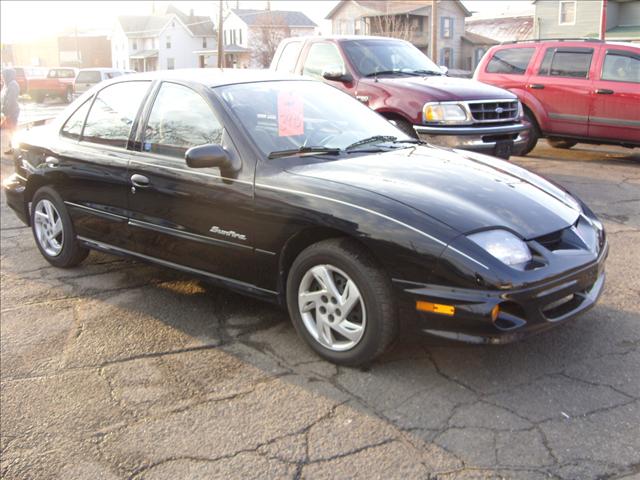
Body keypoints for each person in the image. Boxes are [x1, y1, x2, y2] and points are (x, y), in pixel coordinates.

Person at [1, 68, 21, 154]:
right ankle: (13, 147)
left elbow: (10, 100)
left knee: (12, 130)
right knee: (11, 130)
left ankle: (15, 148)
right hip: (9, 111)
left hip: (12, 111)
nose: (2, 77)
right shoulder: (9, 84)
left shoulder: (12, 85)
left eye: (3, 75)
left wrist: (7, 112)